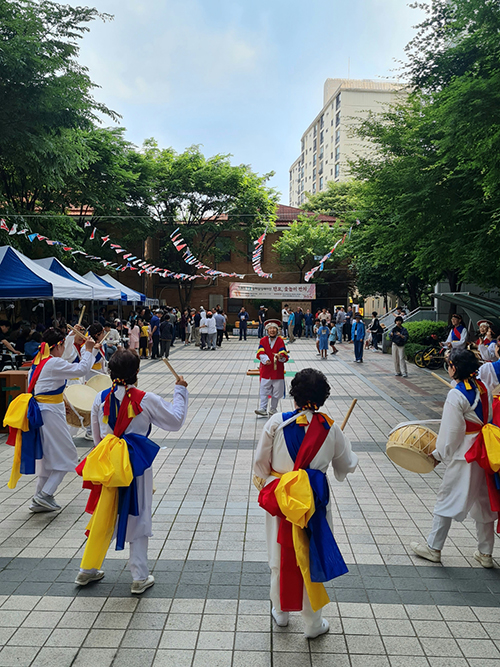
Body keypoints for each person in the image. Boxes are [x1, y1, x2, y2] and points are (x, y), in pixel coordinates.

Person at [253, 368, 358, 638]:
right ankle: (313, 623)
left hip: (283, 500)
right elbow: (347, 465)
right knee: (312, 554)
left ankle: (281, 611)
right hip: (313, 503)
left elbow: (260, 466)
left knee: (279, 553)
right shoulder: (330, 427)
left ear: (293, 393)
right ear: (323, 396)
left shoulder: (276, 422)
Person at [75, 349, 189, 592]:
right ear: (137, 372)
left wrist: (109, 456)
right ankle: (139, 575)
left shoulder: (100, 398)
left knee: (103, 513)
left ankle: (87, 570)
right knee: (138, 513)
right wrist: (180, 390)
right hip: (135, 464)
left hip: (108, 463)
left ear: (110, 372)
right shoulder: (145, 399)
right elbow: (176, 420)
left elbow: (97, 438)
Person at [410, 350, 497, 567]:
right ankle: (485, 553)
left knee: (447, 497)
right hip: (485, 451)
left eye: (449, 363)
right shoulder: (483, 387)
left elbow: (451, 433)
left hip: (466, 454)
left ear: (454, 367)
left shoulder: (457, 394)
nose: (447, 366)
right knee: (484, 502)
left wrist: (438, 455)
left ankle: (433, 548)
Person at [4, 328, 98, 512]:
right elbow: (81, 369)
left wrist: (64, 400)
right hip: (49, 413)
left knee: (48, 460)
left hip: (44, 411)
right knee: (68, 455)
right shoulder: (53, 362)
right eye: (63, 344)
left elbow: (45, 387)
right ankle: (45, 494)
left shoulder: (40, 361)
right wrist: (88, 350)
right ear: (59, 345)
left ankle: (38, 500)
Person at [255, 321, 289, 417]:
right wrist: (265, 360)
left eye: (274, 329)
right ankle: (263, 408)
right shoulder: (263, 340)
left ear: (277, 330)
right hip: (266, 369)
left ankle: (273, 409)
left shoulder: (280, 340)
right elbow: (260, 351)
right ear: (267, 330)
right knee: (264, 389)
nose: (272, 330)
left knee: (277, 391)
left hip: (277, 370)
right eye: (270, 329)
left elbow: (283, 351)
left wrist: (280, 356)